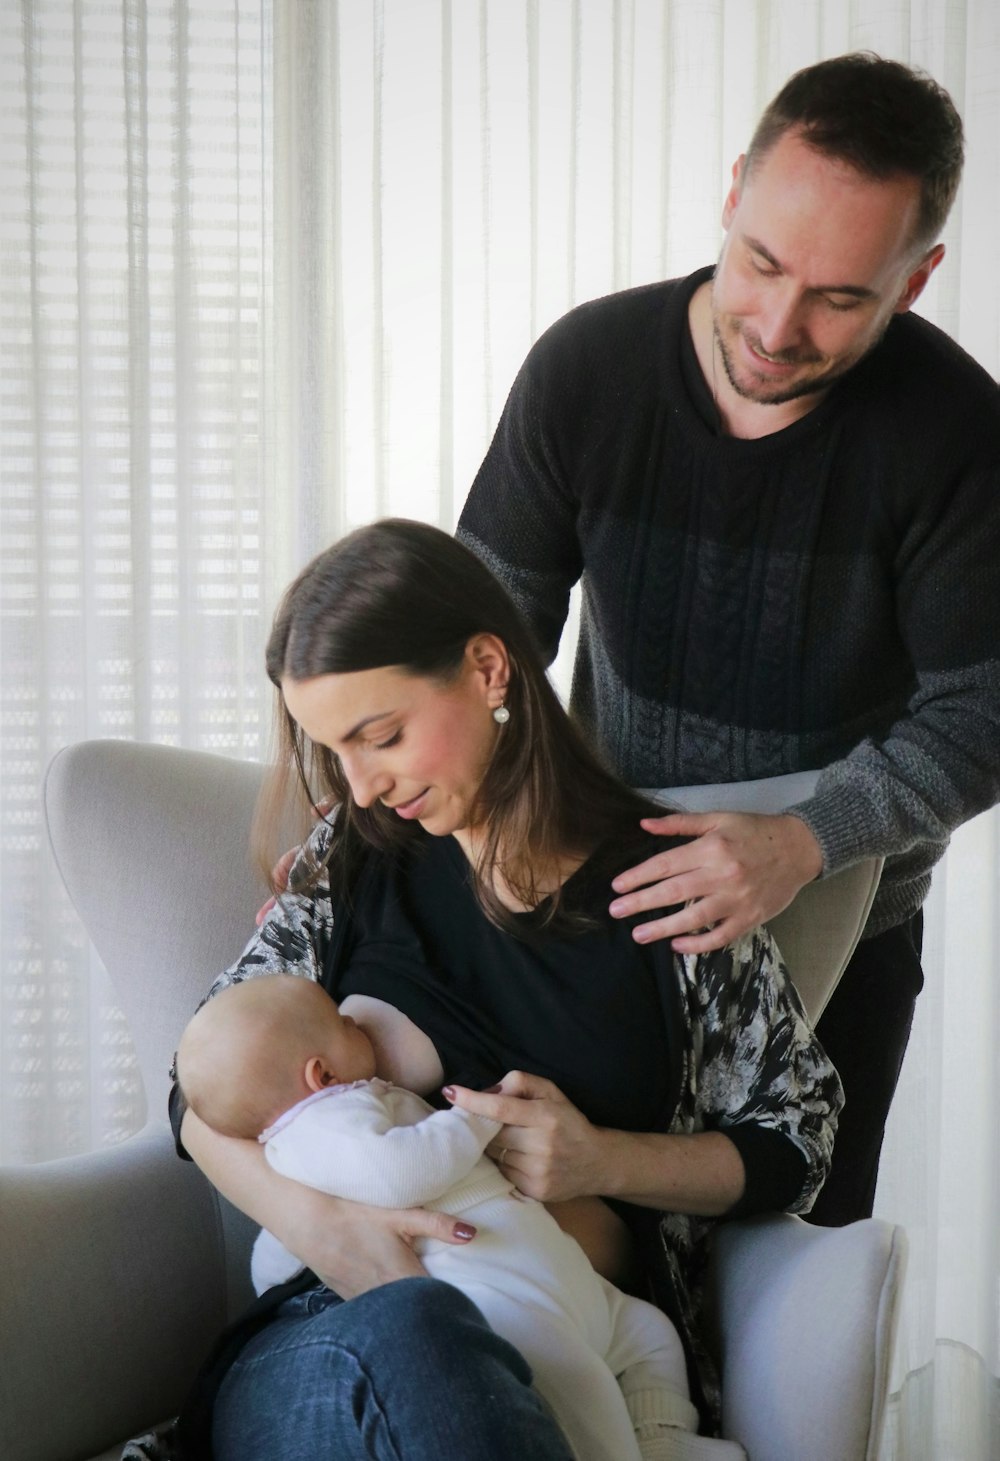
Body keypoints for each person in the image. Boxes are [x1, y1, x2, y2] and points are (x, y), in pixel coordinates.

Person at [456, 51, 1000, 1227]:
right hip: (597, 899)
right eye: (760, 262)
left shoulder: (957, 434)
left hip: (842, 917)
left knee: (792, 1264)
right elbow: (480, 645)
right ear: (733, 191)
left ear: (916, 281)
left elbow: (983, 710)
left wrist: (805, 840)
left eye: (841, 297)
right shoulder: (587, 370)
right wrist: (360, 834)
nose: (776, 322)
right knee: (582, 1245)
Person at [168, 518, 842, 1460]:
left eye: (382, 736)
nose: (358, 789)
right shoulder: (358, 858)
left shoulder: (670, 889)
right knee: (424, 1331)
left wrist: (604, 1159)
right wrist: (327, 1230)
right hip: (336, 1331)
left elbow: (796, 1136)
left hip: (576, 1342)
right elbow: (197, 1090)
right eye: (336, 752)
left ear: (488, 670)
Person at [176, 973, 744, 1461]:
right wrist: (474, 1116)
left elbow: (268, 1262)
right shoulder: (323, 1125)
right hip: (483, 1298)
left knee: (649, 1333)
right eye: (344, 1022)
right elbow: (401, 1170)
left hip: (560, 1277)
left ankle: (664, 1438)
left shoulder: (342, 1107)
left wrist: (603, 1160)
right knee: (583, 1389)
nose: (358, 1021)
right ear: (320, 1075)